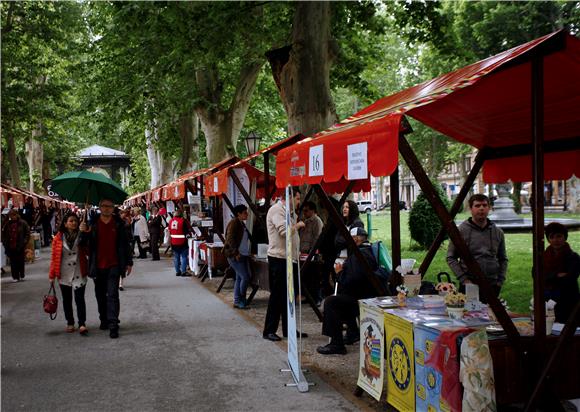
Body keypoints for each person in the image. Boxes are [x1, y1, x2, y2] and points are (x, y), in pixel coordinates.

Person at [317, 227, 378, 355]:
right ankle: (352, 332)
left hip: (362, 297)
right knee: (340, 298)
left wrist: (339, 273)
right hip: (364, 294)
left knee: (331, 302)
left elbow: (352, 280)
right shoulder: (366, 251)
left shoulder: (359, 254)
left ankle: (336, 343)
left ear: (355, 239)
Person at [80, 199, 133, 339]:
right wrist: (84, 232)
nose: (107, 209)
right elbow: (82, 244)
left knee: (113, 295)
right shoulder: (92, 224)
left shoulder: (119, 224)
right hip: (97, 265)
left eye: (110, 206)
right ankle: (103, 318)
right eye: (104, 206)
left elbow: (125, 244)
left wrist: (129, 262)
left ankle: (113, 324)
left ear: (113, 208)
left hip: (114, 264)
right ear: (99, 207)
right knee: (100, 295)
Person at [262, 188, 307, 342]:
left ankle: (289, 329)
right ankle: (269, 330)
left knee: (290, 296)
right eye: (297, 198)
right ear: (289, 197)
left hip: (290, 258)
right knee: (277, 296)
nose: (299, 202)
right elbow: (284, 231)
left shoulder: (289, 213)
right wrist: (299, 225)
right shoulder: (277, 210)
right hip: (279, 259)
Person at [447, 194, 508, 302]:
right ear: (471, 209)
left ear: (489, 208)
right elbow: (451, 257)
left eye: (484, 205)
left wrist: (500, 281)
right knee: (469, 316)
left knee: (491, 316)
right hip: (469, 284)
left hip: (492, 285)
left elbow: (503, 259)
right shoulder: (460, 231)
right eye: (477, 205)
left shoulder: (497, 232)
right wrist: (464, 280)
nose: (481, 208)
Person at [49, 213, 89, 335]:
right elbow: (54, 257)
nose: (74, 223)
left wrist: (85, 233)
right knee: (67, 300)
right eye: (71, 221)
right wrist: (52, 275)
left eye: (75, 221)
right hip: (64, 272)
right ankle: (70, 322)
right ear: (65, 224)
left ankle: (82, 323)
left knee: (79, 299)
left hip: (78, 271)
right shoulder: (58, 238)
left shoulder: (82, 235)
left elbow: (88, 250)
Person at [543, 222, 580, 323]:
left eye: (559, 236)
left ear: (565, 237)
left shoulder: (573, 257)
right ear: (548, 239)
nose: (556, 240)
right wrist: (557, 275)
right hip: (547, 299)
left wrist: (548, 275)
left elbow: (570, 278)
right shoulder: (542, 257)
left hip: (567, 300)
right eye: (552, 237)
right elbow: (536, 275)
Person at [223, 205, 251, 309]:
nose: (247, 214)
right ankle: (241, 299)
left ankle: (237, 300)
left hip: (242, 254)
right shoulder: (234, 223)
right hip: (235, 256)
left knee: (239, 277)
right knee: (245, 277)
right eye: (245, 212)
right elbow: (230, 239)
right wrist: (235, 253)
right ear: (238, 213)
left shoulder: (241, 223)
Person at [1, 209, 31, 282]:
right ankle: (15, 276)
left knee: (20, 261)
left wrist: (24, 242)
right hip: (10, 245)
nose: (12, 217)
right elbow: (3, 234)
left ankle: (21, 274)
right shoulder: (7, 224)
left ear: (17, 215)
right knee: (13, 262)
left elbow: (27, 233)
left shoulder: (23, 223)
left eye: (13, 215)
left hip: (20, 245)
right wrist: (5, 242)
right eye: (10, 216)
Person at [168, 209, 192, 277]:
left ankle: (177, 271)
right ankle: (183, 272)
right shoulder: (183, 221)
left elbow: (169, 230)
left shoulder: (171, 221)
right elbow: (187, 231)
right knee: (184, 257)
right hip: (182, 242)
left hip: (174, 242)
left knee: (176, 257)